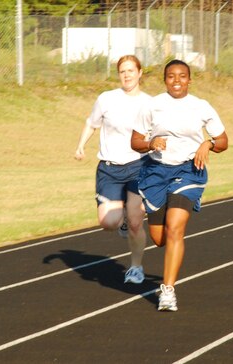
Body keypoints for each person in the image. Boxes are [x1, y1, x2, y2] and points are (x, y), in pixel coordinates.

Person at [131, 59, 228, 311]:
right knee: (160, 238)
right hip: (155, 172)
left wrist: (208, 144)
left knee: (175, 228)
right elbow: (135, 141)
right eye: (171, 76)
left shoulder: (201, 106)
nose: (177, 81)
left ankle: (167, 291)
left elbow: (223, 140)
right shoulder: (152, 106)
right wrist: (151, 143)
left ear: (190, 79)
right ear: (165, 80)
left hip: (189, 170)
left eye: (182, 76)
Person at [74, 55, 149, 285]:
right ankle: (122, 217)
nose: (126, 75)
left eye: (130, 70)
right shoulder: (106, 99)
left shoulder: (150, 103)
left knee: (136, 221)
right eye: (122, 71)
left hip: (138, 166)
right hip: (109, 169)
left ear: (139, 73)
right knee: (108, 223)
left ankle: (136, 267)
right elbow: (92, 123)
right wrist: (80, 146)